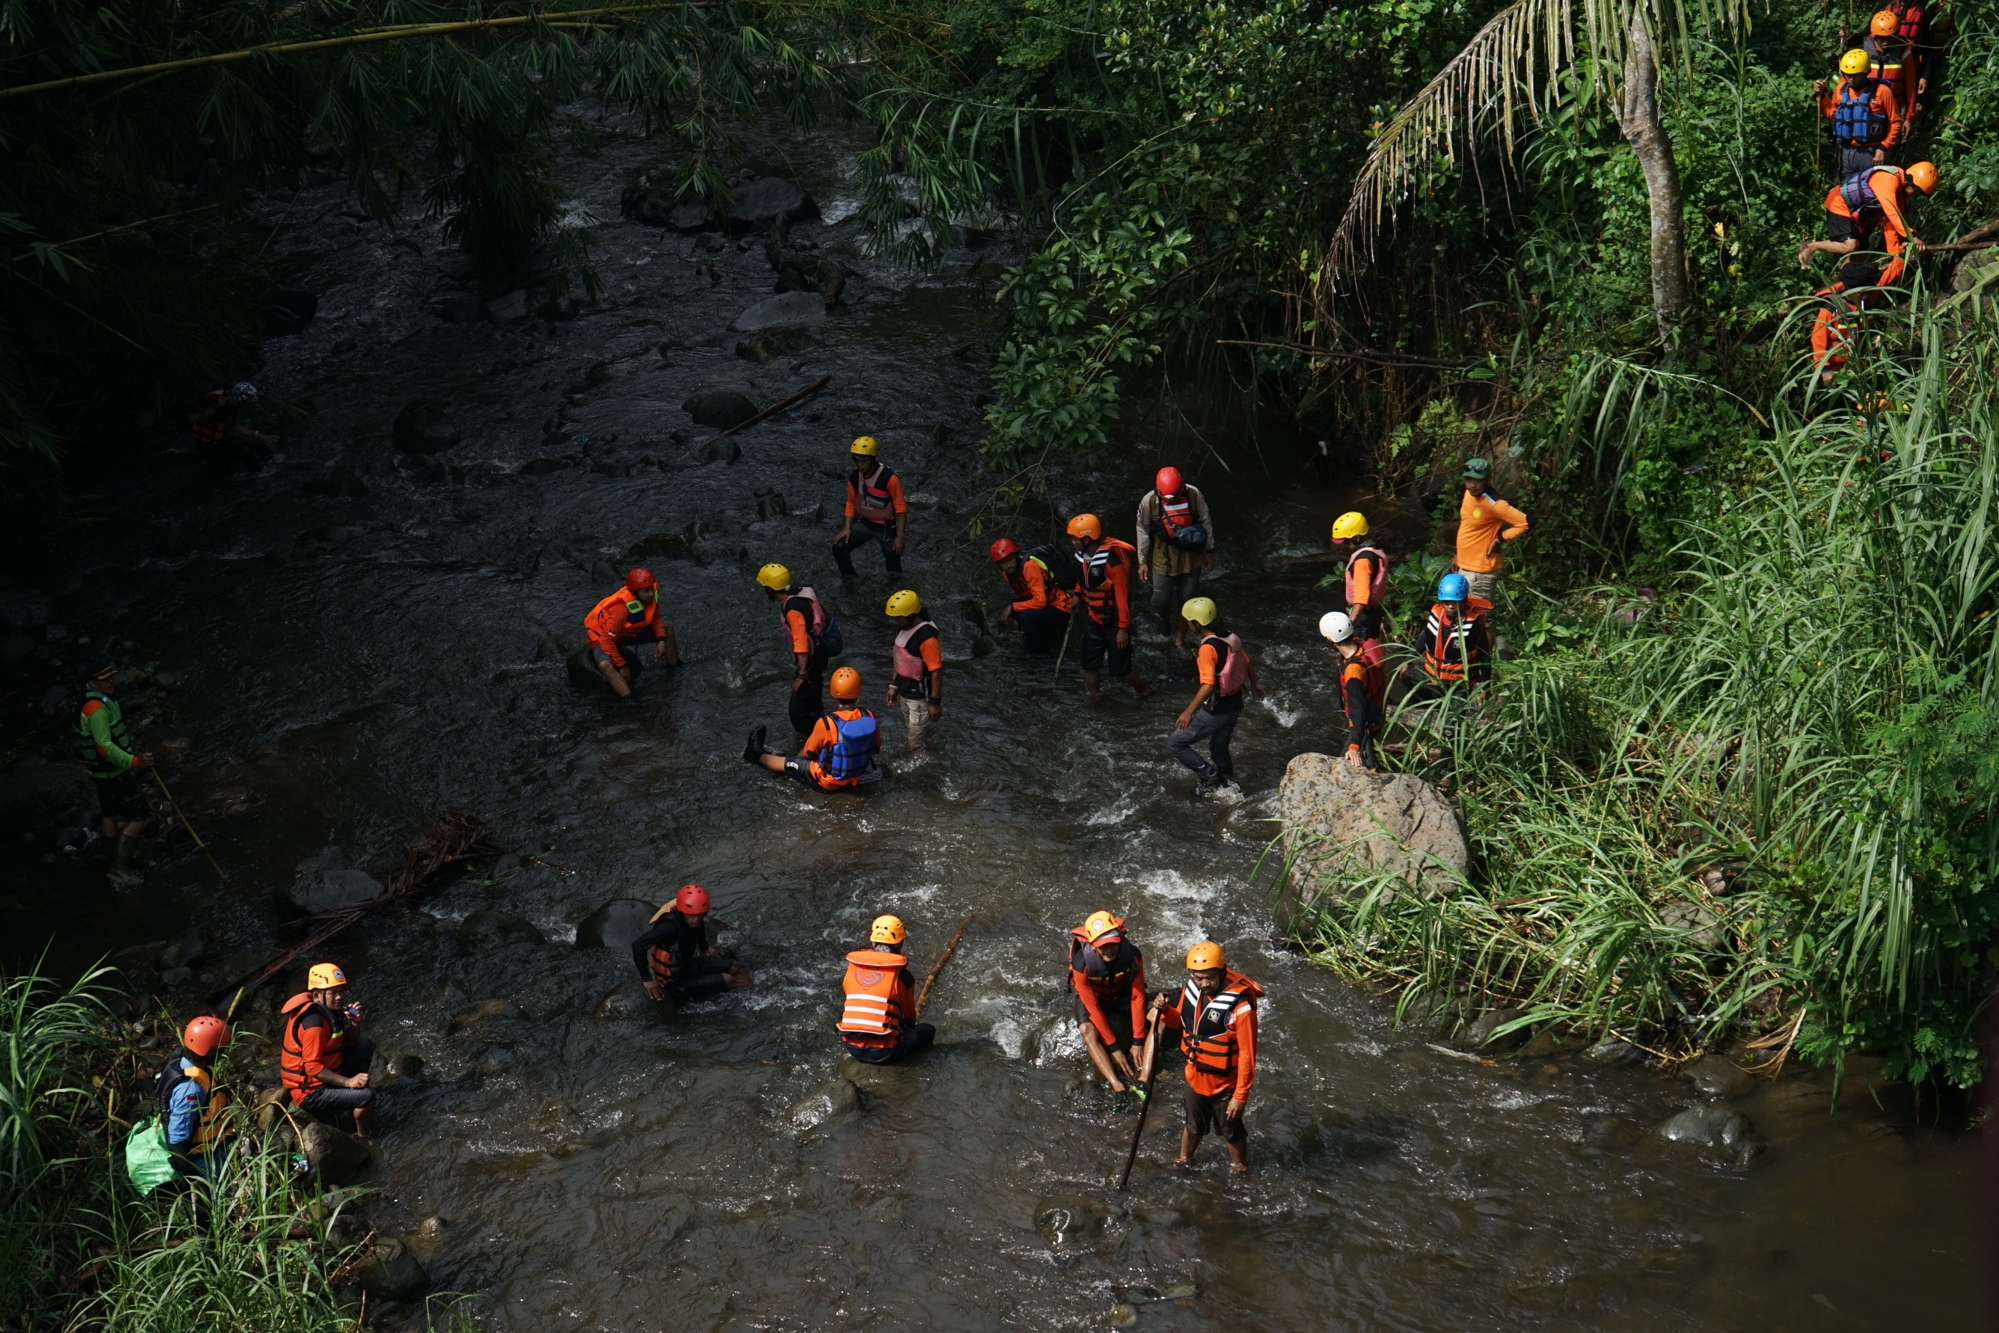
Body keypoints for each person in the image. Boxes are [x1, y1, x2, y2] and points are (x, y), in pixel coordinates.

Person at [1147, 941, 1262, 1175]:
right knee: (1192, 1126)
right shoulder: (1192, 991)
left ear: (1222, 971)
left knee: (1231, 1131)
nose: (1204, 983)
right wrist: (1166, 1010)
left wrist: (1240, 1096)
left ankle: (1240, 1169)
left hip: (1225, 1085)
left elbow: (1248, 1056)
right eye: (1199, 977)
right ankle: (1183, 1161)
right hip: (1195, 1077)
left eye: (1209, 977)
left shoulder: (1240, 1008)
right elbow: (1180, 1022)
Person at [1168, 597, 1265, 798]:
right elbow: (1247, 662)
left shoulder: (1207, 649)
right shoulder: (1231, 637)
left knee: (1176, 742)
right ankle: (1228, 781)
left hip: (1218, 708)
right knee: (1218, 747)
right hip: (1235, 703)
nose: (1187, 624)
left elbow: (1208, 685)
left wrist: (1188, 712)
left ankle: (1208, 774)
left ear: (1197, 623)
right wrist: (1255, 683)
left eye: (1189, 621)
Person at [74, 657, 153, 887]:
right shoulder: (97, 709)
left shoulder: (85, 702)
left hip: (99, 774)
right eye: (104, 679)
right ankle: (119, 867)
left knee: (109, 813)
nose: (111, 681)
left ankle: (112, 856)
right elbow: (105, 747)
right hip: (114, 772)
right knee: (139, 815)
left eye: (112, 676)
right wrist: (134, 761)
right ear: (92, 682)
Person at [1799, 160, 1937, 287]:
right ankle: (1811, 246)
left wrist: (1895, 253)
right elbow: (1892, 213)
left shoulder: (1902, 193)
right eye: (1917, 191)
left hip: (1858, 214)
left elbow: (1890, 222)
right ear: (1910, 180)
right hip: (1839, 203)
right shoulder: (1887, 179)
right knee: (1851, 246)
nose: (1916, 195)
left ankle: (1839, 285)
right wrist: (1912, 236)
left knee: (1860, 255)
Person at [280, 962, 377, 1137]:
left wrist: (354, 1024)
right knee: (367, 1096)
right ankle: (363, 1136)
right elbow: (312, 1068)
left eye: (341, 991)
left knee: (365, 1046)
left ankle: (352, 1100)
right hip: (311, 1092)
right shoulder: (314, 1025)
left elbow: (352, 1043)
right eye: (333, 992)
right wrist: (349, 1082)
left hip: (329, 1073)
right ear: (317, 995)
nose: (340, 997)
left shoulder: (328, 1011)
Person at [746, 665, 880, 791]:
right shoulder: (869, 716)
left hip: (828, 782)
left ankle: (756, 754)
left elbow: (808, 754)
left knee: (788, 762)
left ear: (833, 692)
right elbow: (876, 747)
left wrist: (797, 761)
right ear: (858, 691)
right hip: (857, 775)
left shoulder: (827, 723)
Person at [1067, 514, 1152, 702]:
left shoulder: (1114, 564)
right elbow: (1085, 579)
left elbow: (1122, 599)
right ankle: (1095, 698)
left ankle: (1145, 691)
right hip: (1093, 619)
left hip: (1113, 622)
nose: (1072, 542)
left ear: (1087, 539)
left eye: (1075, 538)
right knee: (1090, 665)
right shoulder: (1083, 557)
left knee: (1121, 671)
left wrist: (1123, 629)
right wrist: (1077, 594)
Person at [1069, 911, 1153, 1097]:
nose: (1109, 949)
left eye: (1112, 943)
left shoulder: (1132, 954)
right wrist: (1114, 1048)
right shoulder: (1081, 964)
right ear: (1092, 944)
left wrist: (1138, 1040)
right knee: (1086, 1030)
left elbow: (1137, 996)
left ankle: (1145, 1075)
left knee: (1157, 1013)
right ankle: (1118, 1086)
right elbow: (1093, 1008)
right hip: (1096, 998)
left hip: (1121, 993)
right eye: (1103, 945)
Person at [629, 884, 752, 1005]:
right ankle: (756, 995)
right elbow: (638, 945)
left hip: (687, 966)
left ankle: (754, 987)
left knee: (734, 966)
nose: (696, 919)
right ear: (682, 912)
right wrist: (647, 979)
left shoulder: (696, 920)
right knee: (728, 979)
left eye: (700, 915)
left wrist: (705, 948)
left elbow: (699, 926)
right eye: (692, 915)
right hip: (675, 984)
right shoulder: (668, 928)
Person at [1134, 467, 1215, 647]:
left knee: (1186, 603)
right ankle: (1165, 619)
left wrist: (1209, 551)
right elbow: (1143, 530)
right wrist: (1142, 560)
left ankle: (1179, 640)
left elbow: (1205, 521)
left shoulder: (1194, 495)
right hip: (1163, 557)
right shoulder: (1150, 501)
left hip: (1191, 557)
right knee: (1160, 601)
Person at [837, 915, 935, 1064]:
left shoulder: (853, 968)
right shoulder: (903, 976)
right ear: (900, 943)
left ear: (872, 941)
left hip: (851, 1047)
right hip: (884, 1052)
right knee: (927, 1031)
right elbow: (909, 1018)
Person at [756, 563, 838, 737]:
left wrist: (802, 674)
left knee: (797, 708)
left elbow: (801, 642)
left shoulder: (792, 609)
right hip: (819, 652)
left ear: (770, 588)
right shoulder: (799, 593)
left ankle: (808, 738)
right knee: (813, 696)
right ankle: (820, 725)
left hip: (810, 658)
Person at [584, 568, 680, 701]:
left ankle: (675, 669)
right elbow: (606, 641)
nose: (651, 594)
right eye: (646, 591)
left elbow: (655, 618)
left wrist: (661, 639)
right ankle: (629, 700)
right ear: (635, 593)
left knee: (668, 628)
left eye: (651, 589)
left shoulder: (649, 597)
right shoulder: (621, 609)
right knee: (605, 665)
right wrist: (622, 666)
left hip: (626, 633)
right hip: (603, 636)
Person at [160, 1015, 233, 1176]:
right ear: (211, 1052)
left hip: (212, 1147)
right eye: (221, 1050)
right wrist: (189, 1172)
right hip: (203, 1159)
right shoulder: (190, 1090)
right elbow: (178, 1136)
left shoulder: (182, 1058)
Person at [1818, 47, 1903, 179]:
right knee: (1847, 192)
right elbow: (1832, 114)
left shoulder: (1882, 91)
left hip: (1872, 153)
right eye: (1847, 74)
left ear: (1866, 72)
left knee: (1871, 194)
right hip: (1846, 153)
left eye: (1855, 75)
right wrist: (1821, 95)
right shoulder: (1840, 90)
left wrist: (1883, 148)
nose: (1851, 79)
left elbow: (1896, 122)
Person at [1453, 458, 1529, 604]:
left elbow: (1526, 523)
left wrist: (1500, 538)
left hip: (1480, 570)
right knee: (1465, 613)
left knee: (1481, 616)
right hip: (1465, 565)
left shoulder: (1495, 504)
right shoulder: (1469, 493)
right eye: (1468, 479)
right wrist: (1459, 556)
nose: (1472, 485)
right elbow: (1467, 526)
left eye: (1477, 480)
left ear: (1488, 479)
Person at [832, 435, 907, 576]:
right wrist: (847, 527)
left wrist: (900, 535)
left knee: (893, 566)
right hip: (865, 523)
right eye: (856, 460)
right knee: (839, 547)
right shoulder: (854, 478)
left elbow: (900, 507)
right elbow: (850, 504)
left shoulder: (889, 478)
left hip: (886, 526)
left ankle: (895, 589)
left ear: (873, 458)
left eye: (864, 460)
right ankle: (850, 580)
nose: (860, 464)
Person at [1320, 611, 1384, 771]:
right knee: (1368, 752)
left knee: (1346, 766)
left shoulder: (1353, 671)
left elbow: (1358, 709)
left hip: (1365, 724)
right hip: (1376, 716)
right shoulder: (1362, 646)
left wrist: (1354, 745)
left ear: (1329, 640)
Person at [884, 590, 944, 754]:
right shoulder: (903, 628)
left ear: (911, 614)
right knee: (914, 732)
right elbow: (900, 660)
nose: (896, 620)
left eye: (899, 616)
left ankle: (923, 771)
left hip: (920, 696)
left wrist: (934, 702)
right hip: (905, 690)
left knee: (915, 742)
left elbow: (936, 671)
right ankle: (929, 749)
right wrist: (893, 686)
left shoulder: (927, 637)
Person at [990, 537, 1075, 654]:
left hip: (1060, 606)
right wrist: (1012, 606)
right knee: (1013, 606)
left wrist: (1013, 607)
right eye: (1003, 563)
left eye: (1010, 560)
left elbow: (1040, 601)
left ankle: (1039, 654)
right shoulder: (1007, 574)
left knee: (1026, 615)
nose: (1008, 565)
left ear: (1016, 556)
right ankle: (1043, 635)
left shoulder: (1029, 567)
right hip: (1047, 606)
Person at [1811, 259, 1883, 387]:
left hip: (1856, 370)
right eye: (1861, 293)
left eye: (1868, 292)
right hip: (1832, 372)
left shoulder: (1865, 306)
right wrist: (1825, 370)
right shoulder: (1830, 308)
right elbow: (1818, 341)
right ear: (1849, 288)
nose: (1865, 296)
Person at [1418, 572, 1495, 688]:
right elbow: (1425, 637)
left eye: (1455, 602)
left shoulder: (1474, 624)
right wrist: (1408, 660)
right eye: (1447, 602)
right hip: (1435, 680)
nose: (1451, 606)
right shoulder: (1436, 616)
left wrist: (1485, 686)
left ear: (1464, 601)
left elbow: (1484, 655)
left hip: (1460, 683)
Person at [1330, 511, 1391, 639]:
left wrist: (1350, 623)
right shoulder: (1374, 549)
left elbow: (1362, 599)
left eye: (1346, 542)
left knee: (1359, 654)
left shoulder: (1363, 560)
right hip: (1374, 613)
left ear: (1357, 538)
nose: (1344, 546)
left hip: (1363, 618)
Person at [188, 381, 277, 466]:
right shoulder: (218, 404)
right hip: (209, 448)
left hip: (220, 440)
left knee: (255, 441)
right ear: (242, 401)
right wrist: (215, 406)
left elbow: (233, 426)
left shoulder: (231, 405)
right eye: (246, 403)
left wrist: (258, 434)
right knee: (244, 451)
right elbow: (200, 420)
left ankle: (273, 460)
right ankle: (257, 472)